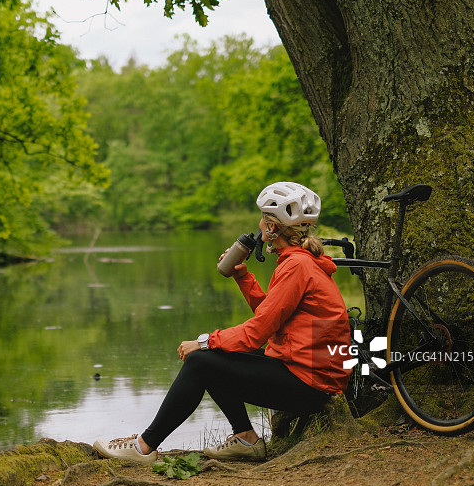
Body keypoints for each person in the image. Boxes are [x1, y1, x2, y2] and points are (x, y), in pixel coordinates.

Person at [93, 182, 352, 463]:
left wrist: (204, 341)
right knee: (214, 355)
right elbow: (274, 317)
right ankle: (246, 439)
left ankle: (144, 447)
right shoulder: (298, 262)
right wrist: (244, 277)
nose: (259, 224)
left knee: (201, 361)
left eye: (263, 218)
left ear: (271, 227)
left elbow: (258, 332)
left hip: (310, 384)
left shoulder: (296, 266)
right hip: (308, 373)